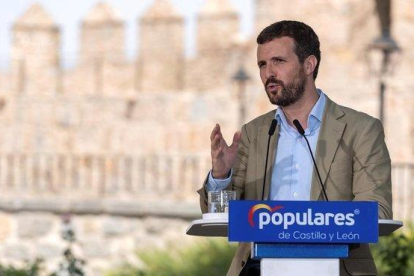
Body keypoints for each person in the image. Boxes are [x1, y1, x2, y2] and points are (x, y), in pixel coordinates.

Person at [197, 20, 392, 276]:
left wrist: (307, 223)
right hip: (259, 267)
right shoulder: (254, 133)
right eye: (262, 64)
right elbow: (219, 216)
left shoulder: (361, 129)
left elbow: (377, 210)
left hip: (335, 266)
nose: (268, 73)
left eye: (278, 61)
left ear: (309, 65)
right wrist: (221, 177)